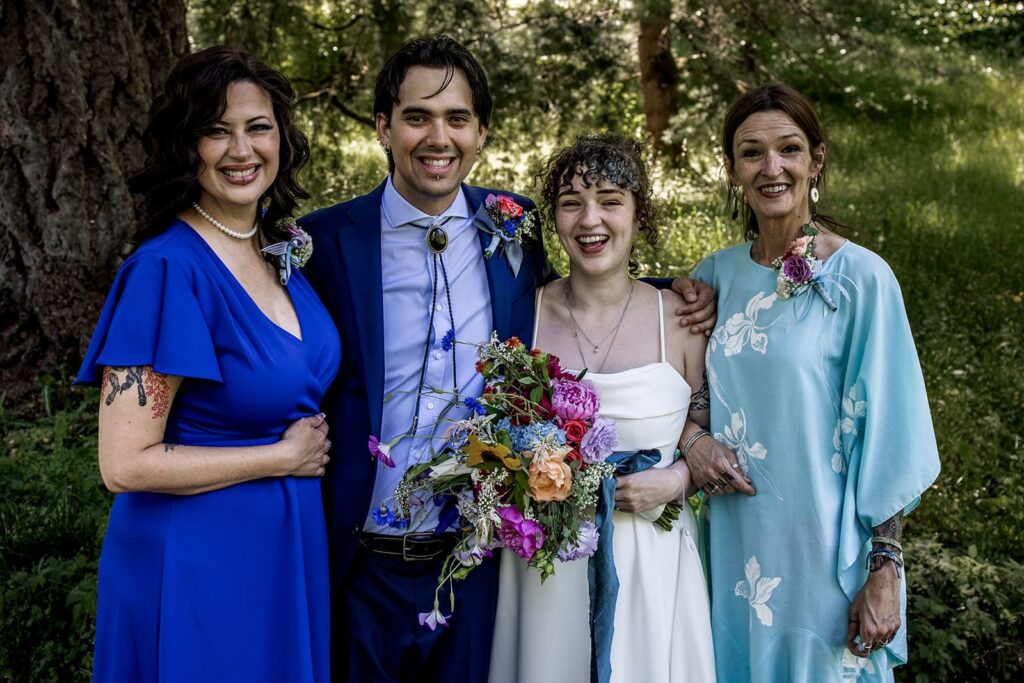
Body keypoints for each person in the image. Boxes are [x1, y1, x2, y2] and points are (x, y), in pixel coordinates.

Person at [299, 36, 716, 683]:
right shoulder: (326, 243)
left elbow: (598, 281)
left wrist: (674, 289)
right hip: (361, 563)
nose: (439, 137)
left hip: (482, 565)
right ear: (383, 125)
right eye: (417, 117)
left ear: (481, 131)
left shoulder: (508, 230)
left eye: (457, 119)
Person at [75, 47, 339, 682]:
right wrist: (278, 459)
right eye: (216, 131)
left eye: (257, 127)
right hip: (197, 563)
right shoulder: (166, 271)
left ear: (282, 137)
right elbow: (124, 464)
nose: (241, 150)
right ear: (185, 145)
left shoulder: (280, 252)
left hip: (282, 551)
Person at [686, 83, 941, 681]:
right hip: (731, 545)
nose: (771, 168)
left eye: (789, 149)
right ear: (731, 169)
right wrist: (691, 443)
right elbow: (678, 401)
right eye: (752, 153)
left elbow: (892, 429)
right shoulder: (711, 277)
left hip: (823, 554)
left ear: (815, 161)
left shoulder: (861, 280)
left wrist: (885, 568)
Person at [487, 134, 718, 683]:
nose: (591, 218)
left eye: (611, 200)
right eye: (571, 202)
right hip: (547, 564)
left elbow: (707, 432)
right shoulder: (525, 316)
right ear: (556, 219)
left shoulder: (682, 321)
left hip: (654, 558)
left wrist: (680, 478)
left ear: (640, 215)